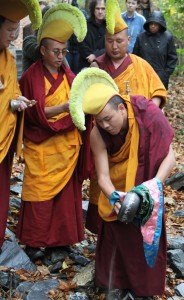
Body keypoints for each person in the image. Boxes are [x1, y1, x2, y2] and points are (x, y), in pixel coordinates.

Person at [69, 67, 176, 299]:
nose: (106, 126)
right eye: (99, 121)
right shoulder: (98, 134)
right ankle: (115, 284)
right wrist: (115, 197)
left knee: (145, 235)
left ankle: (145, 289)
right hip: (118, 191)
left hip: (148, 189)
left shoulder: (147, 113)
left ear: (121, 107)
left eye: (108, 119)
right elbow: (103, 176)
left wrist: (152, 187)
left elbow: (171, 155)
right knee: (117, 233)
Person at [16, 4, 89, 262]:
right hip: (42, 144)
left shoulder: (68, 75)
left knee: (65, 194)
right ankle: (36, 241)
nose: (61, 57)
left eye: (64, 51)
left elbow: (79, 101)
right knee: (38, 190)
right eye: (56, 51)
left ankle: (62, 239)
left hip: (66, 143)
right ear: (43, 50)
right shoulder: (30, 76)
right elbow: (34, 112)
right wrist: (64, 107)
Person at [88, 0, 167, 234]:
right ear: (104, 41)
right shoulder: (97, 69)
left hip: (138, 135)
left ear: (129, 41)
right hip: (105, 136)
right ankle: (103, 231)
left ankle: (140, 223)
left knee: (138, 176)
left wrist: (146, 119)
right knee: (101, 179)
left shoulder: (141, 65)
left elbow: (158, 94)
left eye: (119, 41)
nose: (114, 46)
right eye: (109, 41)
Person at [0, 0, 42, 258]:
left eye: (17, 31)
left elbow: (12, 90)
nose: (13, 37)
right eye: (10, 31)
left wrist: (18, 101)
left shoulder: (8, 57)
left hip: (0, 138)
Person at [133, 11, 178, 89]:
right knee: (144, 99)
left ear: (160, 25)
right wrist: (138, 73)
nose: (153, 26)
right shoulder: (141, 37)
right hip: (143, 75)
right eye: (151, 23)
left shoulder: (167, 37)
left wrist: (165, 74)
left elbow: (172, 58)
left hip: (161, 77)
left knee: (159, 99)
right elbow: (134, 57)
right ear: (148, 24)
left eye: (156, 24)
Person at [61, 0, 89, 75]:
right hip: (67, 49)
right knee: (67, 72)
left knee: (77, 74)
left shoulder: (81, 12)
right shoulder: (60, 13)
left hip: (79, 49)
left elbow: (86, 29)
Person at [78, 0, 106, 71]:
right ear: (93, 9)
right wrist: (90, 57)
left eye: (103, 9)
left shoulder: (110, 27)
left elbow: (110, 47)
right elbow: (81, 44)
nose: (100, 11)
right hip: (86, 64)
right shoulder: (85, 25)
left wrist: (95, 55)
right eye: (97, 8)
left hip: (104, 65)